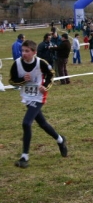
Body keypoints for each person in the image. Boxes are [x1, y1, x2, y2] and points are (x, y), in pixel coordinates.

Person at [9, 40, 68, 168]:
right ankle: (60, 140)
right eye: (22, 50)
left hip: (39, 96)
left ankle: (24, 157)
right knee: (42, 123)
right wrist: (22, 80)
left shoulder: (41, 63)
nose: (23, 53)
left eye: (27, 51)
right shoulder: (17, 64)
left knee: (26, 123)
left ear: (34, 52)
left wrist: (45, 86)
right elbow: (12, 81)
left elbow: (51, 75)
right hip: (27, 96)